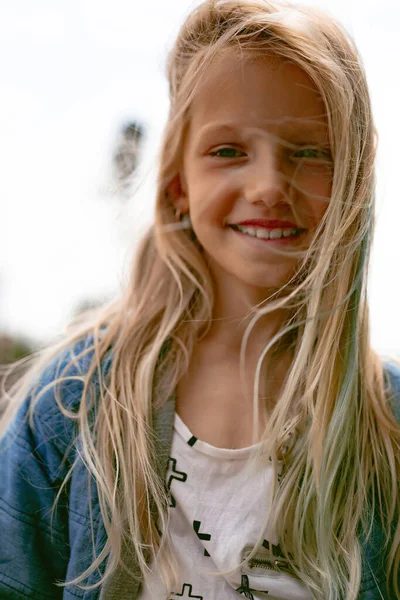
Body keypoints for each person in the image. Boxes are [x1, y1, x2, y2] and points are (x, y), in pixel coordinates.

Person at [0, 0, 399, 598]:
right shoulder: (71, 404)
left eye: (309, 151)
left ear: (352, 181)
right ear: (178, 184)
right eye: (228, 150)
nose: (267, 185)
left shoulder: (387, 425)